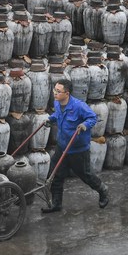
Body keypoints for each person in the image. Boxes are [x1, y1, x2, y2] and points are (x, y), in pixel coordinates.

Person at [41, 77, 109, 213]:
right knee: (56, 175)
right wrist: (51, 119)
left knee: (86, 175)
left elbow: (92, 117)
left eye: (58, 91)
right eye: (55, 90)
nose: (55, 93)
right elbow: (58, 115)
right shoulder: (57, 103)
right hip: (62, 146)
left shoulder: (79, 106)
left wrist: (84, 125)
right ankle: (56, 204)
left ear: (67, 93)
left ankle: (103, 190)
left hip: (77, 149)